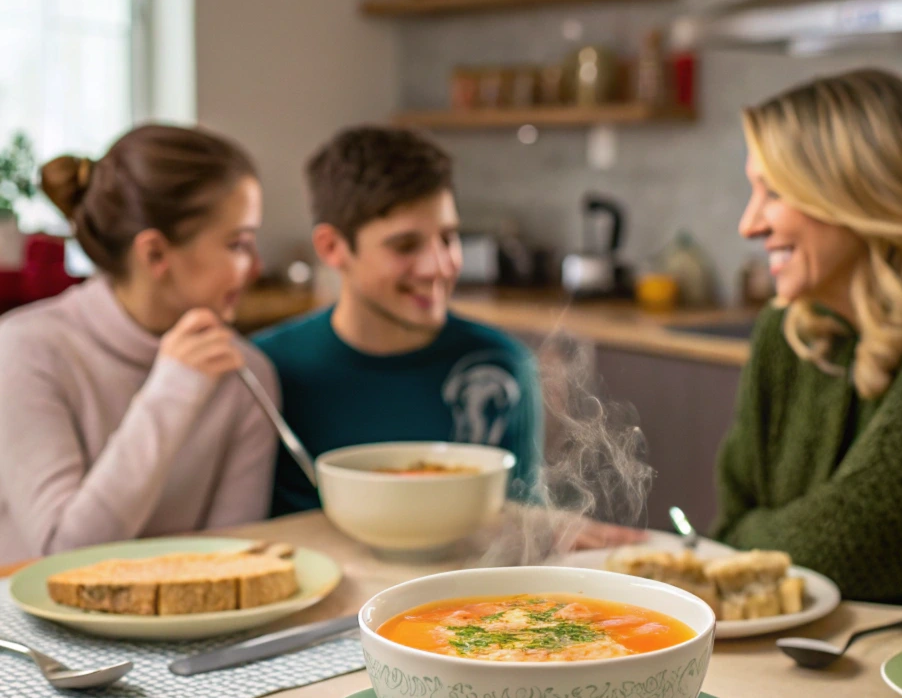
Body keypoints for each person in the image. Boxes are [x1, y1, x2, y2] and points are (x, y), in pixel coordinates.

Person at [712, 68, 902, 617]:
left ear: (862, 191)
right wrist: (744, 543)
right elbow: (730, 528)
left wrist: (749, 542)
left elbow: (852, 544)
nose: (748, 223)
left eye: (775, 191)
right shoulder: (789, 328)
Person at [0, 124, 279, 561]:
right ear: (154, 255)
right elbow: (63, 555)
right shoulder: (25, 351)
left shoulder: (246, 370)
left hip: (195, 626)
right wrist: (173, 390)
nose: (257, 266)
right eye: (238, 244)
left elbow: (233, 561)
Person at [255, 126, 544, 518]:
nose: (438, 267)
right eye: (406, 246)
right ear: (332, 247)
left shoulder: (501, 365)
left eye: (448, 238)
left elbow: (525, 528)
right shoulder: (263, 372)